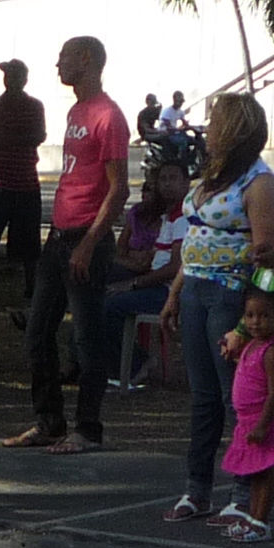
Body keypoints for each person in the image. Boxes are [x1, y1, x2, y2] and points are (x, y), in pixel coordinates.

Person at [159, 91, 274, 523]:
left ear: (234, 131)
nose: (208, 130)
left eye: (216, 123)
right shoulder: (210, 178)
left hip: (231, 296)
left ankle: (244, 493)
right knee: (204, 398)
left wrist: (248, 325)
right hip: (195, 288)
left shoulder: (260, 184)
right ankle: (197, 489)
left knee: (240, 400)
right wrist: (175, 291)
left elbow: (269, 259)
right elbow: (195, 240)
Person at [1, 35, 129, 454]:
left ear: (86, 60)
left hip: (84, 239)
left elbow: (118, 189)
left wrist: (89, 243)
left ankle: (88, 427)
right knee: (37, 331)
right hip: (57, 237)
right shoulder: (76, 110)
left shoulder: (108, 116)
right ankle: (49, 420)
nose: (58, 65)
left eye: (64, 58)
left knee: (88, 338)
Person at [102, 158, 189, 383]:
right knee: (97, 280)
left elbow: (174, 267)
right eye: (163, 179)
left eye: (173, 178)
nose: (167, 184)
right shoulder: (165, 215)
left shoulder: (183, 217)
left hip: (169, 291)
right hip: (151, 277)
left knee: (110, 305)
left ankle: (136, 364)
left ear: (186, 183)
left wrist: (132, 284)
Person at [218, 283, 274, 543]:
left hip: (262, 420)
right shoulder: (252, 346)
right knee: (253, 473)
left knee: (265, 473)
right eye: (250, 316)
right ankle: (251, 517)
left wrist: (263, 424)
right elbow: (248, 372)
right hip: (246, 421)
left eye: (264, 316)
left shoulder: (272, 352)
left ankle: (261, 521)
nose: (256, 322)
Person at [0, 57, 46, 307]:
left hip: (22, 178)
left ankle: (30, 287)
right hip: (0, 178)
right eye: (6, 75)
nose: (8, 80)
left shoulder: (34, 106)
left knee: (29, 242)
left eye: (13, 75)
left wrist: (10, 137)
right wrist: (19, 137)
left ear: (23, 79)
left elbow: (37, 136)